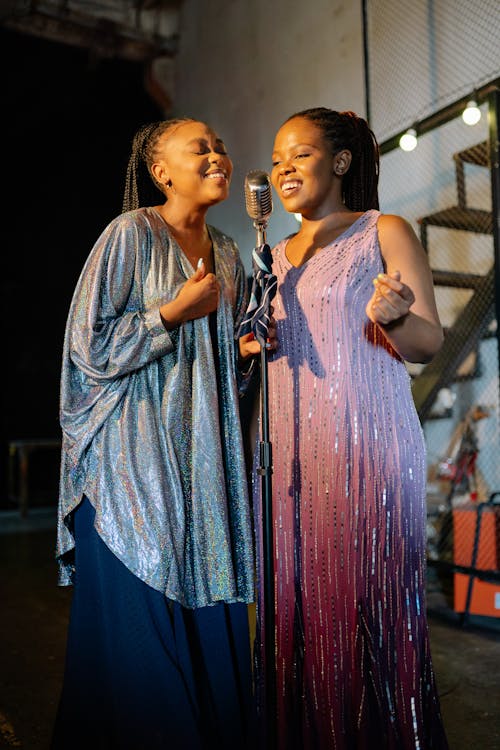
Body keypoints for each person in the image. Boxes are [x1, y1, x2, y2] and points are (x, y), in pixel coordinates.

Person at [52, 117, 268, 749]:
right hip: (131, 468)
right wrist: (172, 310)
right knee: (142, 625)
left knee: (208, 612)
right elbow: (85, 348)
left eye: (221, 146)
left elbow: (216, 374)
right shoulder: (130, 234)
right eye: (199, 147)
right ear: (160, 171)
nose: (217, 155)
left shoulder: (228, 251)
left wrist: (244, 351)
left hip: (203, 466)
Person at [252, 107, 449, 749]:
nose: (284, 167)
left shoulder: (383, 230)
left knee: (368, 609)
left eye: (300, 154)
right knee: (300, 612)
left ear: (339, 163)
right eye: (277, 158)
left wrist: (394, 317)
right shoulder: (271, 257)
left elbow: (428, 343)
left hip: (367, 448)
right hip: (290, 459)